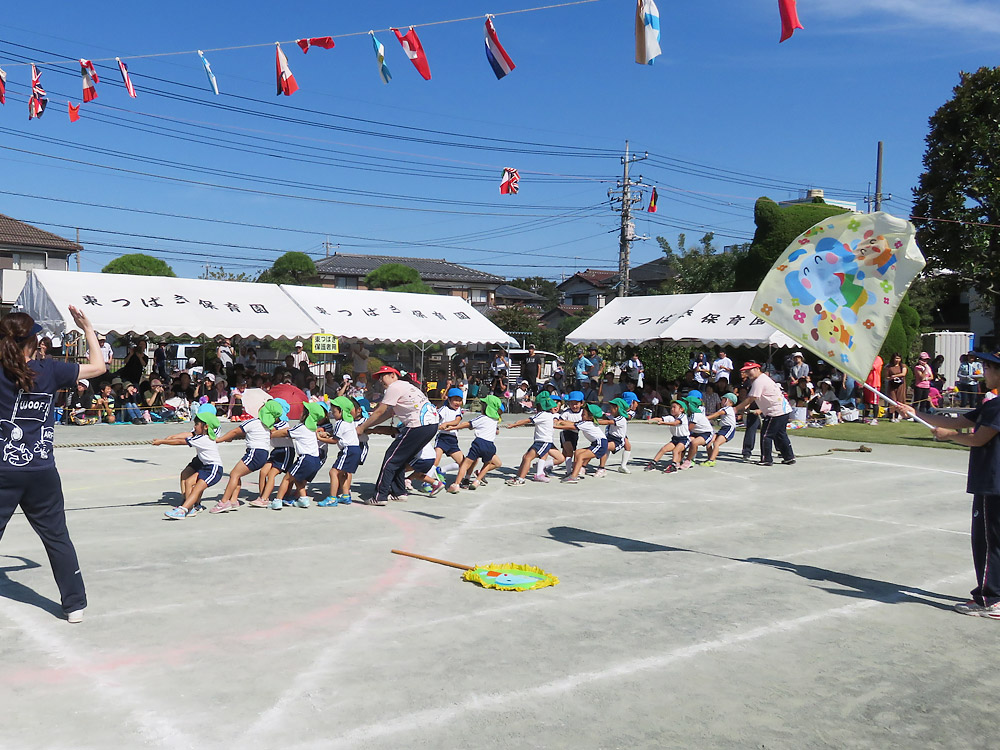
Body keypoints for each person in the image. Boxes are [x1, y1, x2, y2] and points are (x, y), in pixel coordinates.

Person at [0, 307, 104, 623]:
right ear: (34, 341)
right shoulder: (51, 371)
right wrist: (87, 328)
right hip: (42, 470)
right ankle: (74, 605)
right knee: (57, 537)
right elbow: (99, 367)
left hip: (4, 470)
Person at [898, 351, 1000, 618]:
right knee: (991, 540)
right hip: (990, 481)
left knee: (989, 542)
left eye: (988, 368)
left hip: (994, 482)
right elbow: (960, 421)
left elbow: (978, 438)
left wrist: (949, 437)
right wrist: (914, 412)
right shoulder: (992, 404)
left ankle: (991, 598)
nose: (983, 373)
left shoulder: (998, 406)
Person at [360, 366, 441, 506]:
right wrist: (369, 427)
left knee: (390, 458)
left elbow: (380, 412)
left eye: (383, 376)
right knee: (400, 459)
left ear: (393, 375)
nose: (380, 380)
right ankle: (399, 492)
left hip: (418, 425)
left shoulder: (394, 387)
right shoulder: (406, 386)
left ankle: (380, 496)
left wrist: (361, 427)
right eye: (379, 378)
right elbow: (387, 414)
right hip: (431, 424)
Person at [155, 410, 224, 520]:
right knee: (188, 481)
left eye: (196, 424)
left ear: (206, 427)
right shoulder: (201, 436)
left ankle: (183, 510)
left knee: (196, 488)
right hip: (206, 467)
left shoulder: (202, 439)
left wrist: (162, 441)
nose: (194, 427)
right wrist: (170, 438)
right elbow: (185, 437)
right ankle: (191, 507)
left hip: (213, 469)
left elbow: (181, 442)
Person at [211, 405, 273, 513]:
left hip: (254, 453)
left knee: (234, 474)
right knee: (236, 474)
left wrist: (220, 439)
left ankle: (224, 502)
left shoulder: (253, 422)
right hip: (262, 453)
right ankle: (234, 501)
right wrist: (230, 438)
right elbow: (250, 435)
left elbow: (236, 431)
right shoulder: (268, 426)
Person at [269, 402, 329, 509]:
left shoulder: (301, 427)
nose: (301, 413)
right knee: (298, 479)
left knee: (287, 478)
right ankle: (303, 499)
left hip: (306, 458)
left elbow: (285, 433)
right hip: (315, 460)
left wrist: (271, 435)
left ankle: (277, 501)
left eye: (303, 412)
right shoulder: (312, 428)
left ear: (307, 415)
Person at [734, 361, 795, 466]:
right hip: (783, 410)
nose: (748, 373)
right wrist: (746, 406)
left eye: (750, 370)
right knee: (781, 434)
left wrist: (736, 408)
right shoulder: (762, 379)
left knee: (766, 435)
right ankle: (789, 457)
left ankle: (766, 459)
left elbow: (751, 398)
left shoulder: (759, 381)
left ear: (757, 369)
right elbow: (756, 398)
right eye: (746, 371)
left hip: (775, 411)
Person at [504, 391, 566, 485]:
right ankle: (520, 476)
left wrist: (514, 424)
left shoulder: (542, 414)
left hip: (543, 441)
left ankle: (521, 479)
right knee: (526, 457)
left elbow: (528, 420)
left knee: (528, 458)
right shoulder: (548, 415)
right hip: (541, 441)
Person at [447, 395, 504, 492]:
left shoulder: (482, 418)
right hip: (490, 445)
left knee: (465, 464)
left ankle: (456, 484)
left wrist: (452, 427)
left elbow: (467, 424)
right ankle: (476, 481)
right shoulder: (495, 420)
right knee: (487, 464)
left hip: (479, 443)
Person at [320, 397, 367, 506]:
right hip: (355, 449)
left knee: (333, 472)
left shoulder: (340, 423)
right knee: (345, 473)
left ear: (342, 411)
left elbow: (334, 440)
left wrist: (320, 438)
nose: (333, 414)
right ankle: (345, 496)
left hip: (348, 450)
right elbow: (338, 435)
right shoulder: (349, 421)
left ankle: (332, 498)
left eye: (335, 411)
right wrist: (327, 435)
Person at [557, 403, 608, 483]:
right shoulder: (585, 422)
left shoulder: (587, 423)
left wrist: (554, 425)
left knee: (581, 456)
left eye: (583, 414)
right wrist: (561, 422)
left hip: (600, 444)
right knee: (577, 452)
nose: (581, 415)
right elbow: (571, 423)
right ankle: (574, 473)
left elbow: (569, 426)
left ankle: (573, 477)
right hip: (596, 443)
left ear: (590, 417)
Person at [645, 398, 692, 473]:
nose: (672, 409)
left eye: (674, 407)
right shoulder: (671, 417)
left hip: (684, 439)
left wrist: (663, 423)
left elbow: (675, 423)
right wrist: (652, 420)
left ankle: (673, 466)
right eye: (671, 407)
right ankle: (653, 463)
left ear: (681, 409)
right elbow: (660, 419)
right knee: (664, 449)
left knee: (676, 450)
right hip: (675, 439)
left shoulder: (683, 416)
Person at [597, 398, 631, 476]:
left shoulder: (621, 419)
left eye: (611, 407)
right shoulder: (612, 416)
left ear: (617, 408)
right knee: (604, 448)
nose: (609, 409)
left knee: (604, 447)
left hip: (617, 440)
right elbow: (605, 417)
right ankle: (602, 467)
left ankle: (602, 468)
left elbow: (609, 422)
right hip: (610, 437)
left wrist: (596, 422)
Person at [703, 392, 739, 467]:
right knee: (709, 442)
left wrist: (706, 418)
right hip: (723, 428)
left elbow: (718, 414)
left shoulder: (728, 408)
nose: (721, 401)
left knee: (716, 443)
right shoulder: (724, 409)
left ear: (728, 401)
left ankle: (711, 460)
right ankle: (710, 458)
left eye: (723, 399)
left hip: (729, 429)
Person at [884, 353, 908, 422]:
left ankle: (897, 416)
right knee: (892, 399)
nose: (897, 360)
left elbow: (903, 374)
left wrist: (895, 376)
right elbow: (886, 376)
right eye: (896, 358)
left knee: (899, 400)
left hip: (900, 385)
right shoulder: (888, 367)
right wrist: (891, 378)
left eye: (898, 358)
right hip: (892, 385)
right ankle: (891, 416)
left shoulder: (902, 366)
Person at [863, 354, 884, 423]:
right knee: (866, 402)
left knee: (874, 402)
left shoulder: (878, 359)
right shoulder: (867, 358)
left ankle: (875, 419)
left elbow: (872, 367)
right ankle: (865, 417)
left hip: (874, 384)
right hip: (867, 383)